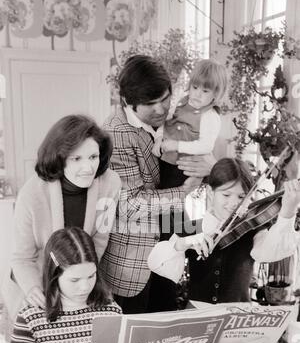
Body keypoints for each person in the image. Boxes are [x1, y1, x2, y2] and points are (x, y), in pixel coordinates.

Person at [101, 55, 205, 314]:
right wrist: (184, 192)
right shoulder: (116, 133)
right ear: (127, 101)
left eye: (165, 98)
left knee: (164, 339)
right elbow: (130, 204)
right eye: (150, 103)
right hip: (133, 264)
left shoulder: (173, 121)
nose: (161, 109)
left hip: (167, 253)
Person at [1, 114, 121, 329]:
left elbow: (100, 239)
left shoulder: (110, 184)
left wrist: (80, 282)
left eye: (93, 157)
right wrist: (36, 291)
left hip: (78, 288)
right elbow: (21, 258)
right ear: (59, 157)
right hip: (35, 285)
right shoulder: (32, 193)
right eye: (77, 159)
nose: (88, 168)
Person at [148, 157, 300, 303]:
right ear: (210, 192)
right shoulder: (191, 228)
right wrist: (181, 243)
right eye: (226, 194)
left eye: (241, 196)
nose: (234, 203)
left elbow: (269, 252)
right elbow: (156, 264)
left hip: (237, 320)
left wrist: (288, 211)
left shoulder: (252, 229)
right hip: (198, 314)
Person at [5, 227, 122, 343]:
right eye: (74, 280)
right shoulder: (31, 316)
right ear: (54, 275)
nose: (85, 287)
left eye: (91, 276)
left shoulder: (111, 309)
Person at [156, 58, 227, 189]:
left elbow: (205, 146)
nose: (197, 94)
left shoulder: (210, 116)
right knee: (157, 189)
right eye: (195, 87)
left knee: (173, 198)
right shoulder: (183, 102)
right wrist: (159, 137)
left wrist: (177, 145)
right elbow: (166, 121)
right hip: (166, 158)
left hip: (183, 167)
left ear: (215, 94)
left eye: (205, 91)